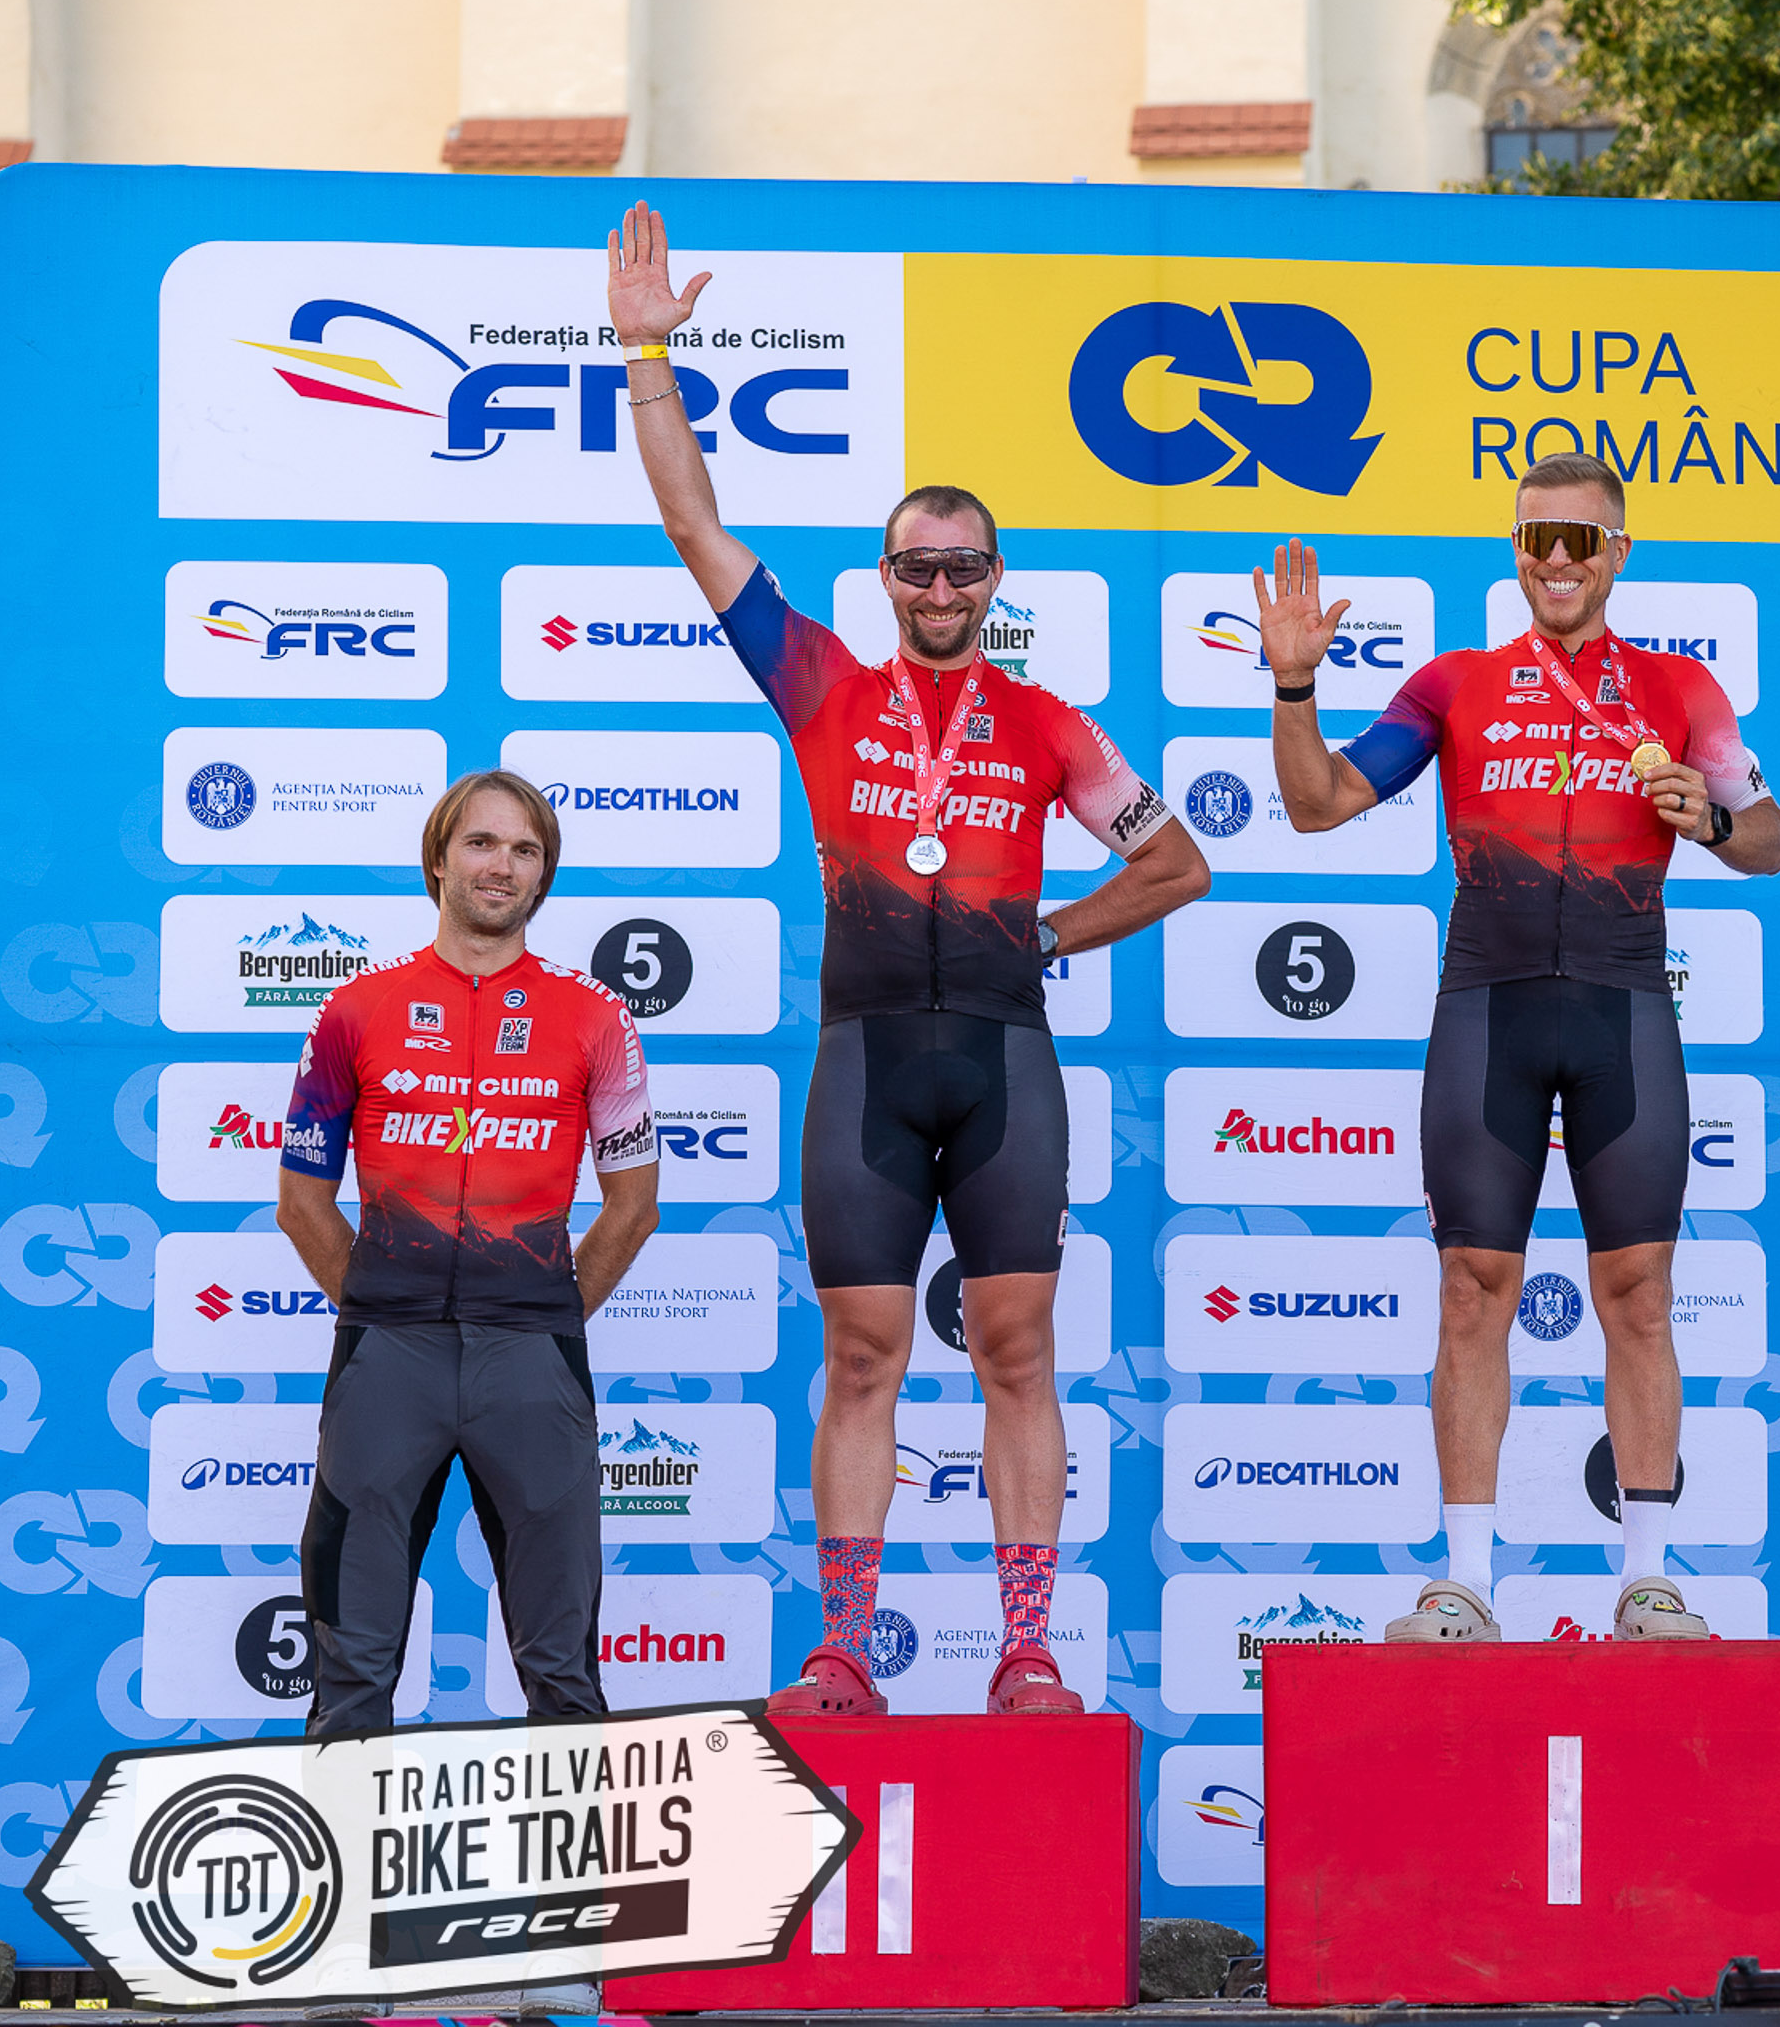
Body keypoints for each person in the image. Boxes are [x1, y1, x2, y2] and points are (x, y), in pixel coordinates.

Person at [608, 202, 1210, 1716]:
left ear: (996, 579)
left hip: (1003, 1058)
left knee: (1017, 1348)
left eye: (964, 570)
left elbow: (1177, 864)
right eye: (917, 569)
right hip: (867, 1056)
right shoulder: (820, 684)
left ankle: (1026, 1649)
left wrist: (1046, 934)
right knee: (864, 1349)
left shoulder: (1045, 723)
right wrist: (644, 355)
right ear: (884, 577)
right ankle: (841, 1650)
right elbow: (693, 526)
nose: (941, 591)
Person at [1262, 451, 1780, 1642]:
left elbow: (1769, 839)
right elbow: (1315, 803)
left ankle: (1649, 1581)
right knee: (1470, 1288)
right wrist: (1294, 688)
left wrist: (1710, 818)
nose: (1555, 558)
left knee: (1638, 1292)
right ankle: (1465, 1581)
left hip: (1621, 1009)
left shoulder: (1678, 688)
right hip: (1488, 1008)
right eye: (1534, 536)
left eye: (1579, 539)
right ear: (1514, 549)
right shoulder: (1454, 682)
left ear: (1617, 553)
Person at [282, 770, 662, 1734]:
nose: (503, 865)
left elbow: (633, 1206)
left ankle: (575, 1846)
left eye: (525, 850)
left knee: (564, 1677)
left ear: (544, 877)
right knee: (350, 1673)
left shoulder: (596, 1017)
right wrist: (378, 1304)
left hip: (531, 1357)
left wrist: (545, 1311)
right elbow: (301, 1201)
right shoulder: (355, 1009)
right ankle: (343, 1837)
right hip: (388, 1358)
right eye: (483, 843)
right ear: (439, 861)